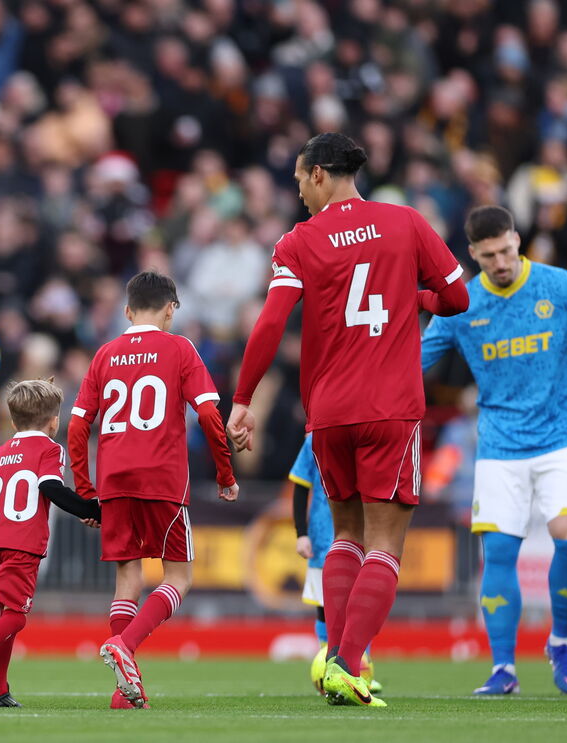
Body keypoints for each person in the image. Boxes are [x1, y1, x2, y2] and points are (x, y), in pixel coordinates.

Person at [227, 132, 469, 708]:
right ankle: (346, 662)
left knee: (345, 538)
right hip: (391, 409)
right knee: (386, 545)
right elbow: (458, 298)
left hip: (329, 415)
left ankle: (337, 661)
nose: (298, 193)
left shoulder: (300, 241)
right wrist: (416, 298)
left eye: (297, 180)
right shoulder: (406, 222)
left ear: (317, 175)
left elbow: (269, 324)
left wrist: (241, 399)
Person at [421, 205, 567, 696]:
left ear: (518, 240)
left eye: (506, 250)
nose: (500, 262)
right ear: (473, 255)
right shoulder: (460, 306)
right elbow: (416, 365)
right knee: (498, 552)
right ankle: (504, 670)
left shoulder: (559, 287)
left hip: (565, 435)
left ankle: (560, 641)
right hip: (499, 444)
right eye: (489, 255)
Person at [68, 271, 239, 709]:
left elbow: (77, 426)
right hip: (161, 479)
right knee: (179, 577)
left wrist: (86, 491)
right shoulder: (180, 347)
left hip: (114, 480)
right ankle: (125, 646)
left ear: (127, 311)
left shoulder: (105, 353)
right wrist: (225, 475)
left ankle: (124, 691)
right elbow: (208, 414)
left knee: (128, 579)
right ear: (170, 310)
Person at [0, 379, 101, 707]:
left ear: (13, 421)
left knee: (6, 615)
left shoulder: (0, 453)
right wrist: (92, 509)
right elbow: (52, 488)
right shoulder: (51, 449)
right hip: (22, 544)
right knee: (16, 618)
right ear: (55, 421)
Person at [289, 434, 381, 697]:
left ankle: (361, 670)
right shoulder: (312, 440)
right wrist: (301, 533)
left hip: (361, 535)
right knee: (325, 610)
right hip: (321, 538)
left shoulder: (366, 436)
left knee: (361, 605)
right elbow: (300, 485)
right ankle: (329, 668)